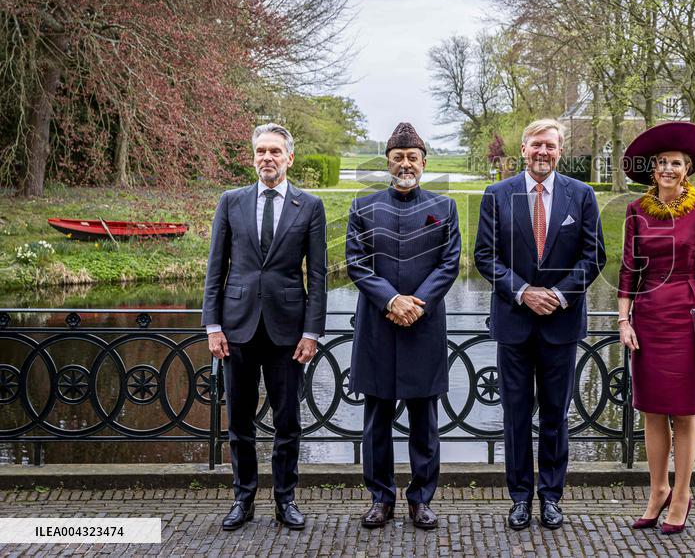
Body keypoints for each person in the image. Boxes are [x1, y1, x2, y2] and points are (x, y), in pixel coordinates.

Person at [474, 118, 606, 530]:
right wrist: (523, 292)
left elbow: (594, 256)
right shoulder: (497, 194)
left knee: (554, 415)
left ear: (560, 150)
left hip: (561, 324)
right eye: (536, 145)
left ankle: (551, 497)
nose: (542, 152)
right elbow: (485, 256)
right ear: (524, 148)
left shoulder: (581, 195)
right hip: (513, 323)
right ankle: (519, 499)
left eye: (550, 145)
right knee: (515, 416)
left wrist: (559, 295)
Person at [202, 123, 328, 531]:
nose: (267, 158)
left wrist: (311, 332)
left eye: (275, 151)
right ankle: (243, 499)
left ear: (289, 157)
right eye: (261, 151)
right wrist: (212, 325)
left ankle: (285, 500)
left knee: (287, 422)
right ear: (253, 157)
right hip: (236, 329)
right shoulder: (231, 201)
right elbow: (215, 268)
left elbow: (318, 275)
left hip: (287, 332)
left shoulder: (310, 206)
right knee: (239, 423)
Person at [617, 121, 695, 535]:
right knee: (650, 410)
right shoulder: (636, 210)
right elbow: (628, 270)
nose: (668, 169)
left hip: (688, 314)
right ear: (653, 169)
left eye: (676, 163)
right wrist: (624, 319)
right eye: (662, 162)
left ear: (688, 170)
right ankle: (657, 490)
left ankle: (681, 494)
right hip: (648, 316)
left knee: (684, 412)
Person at [346, 122, 461, 530]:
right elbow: (356, 262)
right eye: (398, 157)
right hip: (377, 328)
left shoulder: (444, 208)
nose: (405, 164)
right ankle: (381, 499)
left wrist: (417, 304)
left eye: (413, 157)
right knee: (376, 421)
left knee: (424, 423)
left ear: (424, 163)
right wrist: (392, 300)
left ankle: (421, 500)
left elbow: (449, 263)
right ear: (388, 163)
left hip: (423, 327)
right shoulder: (363, 207)